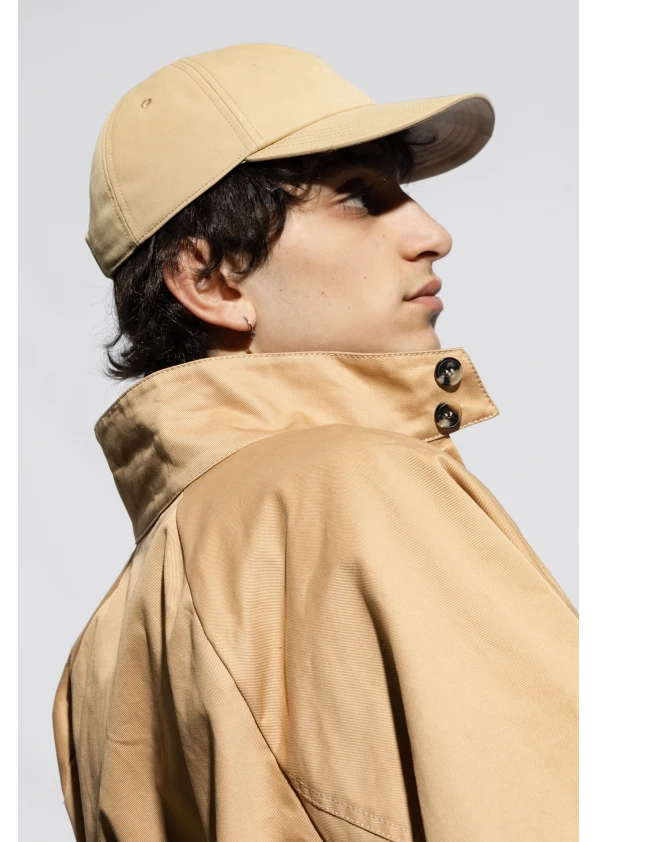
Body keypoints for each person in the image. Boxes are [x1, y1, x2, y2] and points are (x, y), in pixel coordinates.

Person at [52, 42, 578, 842]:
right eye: (359, 199)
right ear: (211, 281)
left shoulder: (99, 659)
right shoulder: (354, 487)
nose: (432, 233)